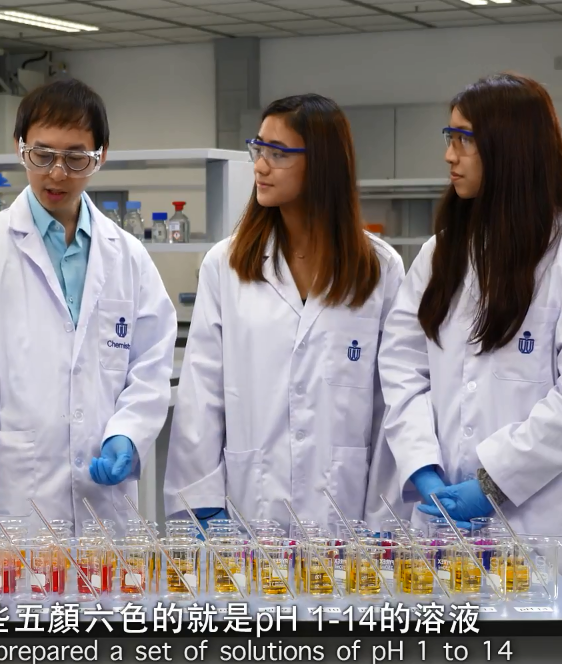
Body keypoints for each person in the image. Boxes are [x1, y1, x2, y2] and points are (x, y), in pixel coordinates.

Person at [374, 73, 562, 597]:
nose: (449, 155)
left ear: (509, 150)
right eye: (449, 138)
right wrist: (423, 467)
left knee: (533, 655)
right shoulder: (442, 254)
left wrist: (492, 481)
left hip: (536, 517)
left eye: (464, 140)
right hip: (440, 517)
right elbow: (402, 368)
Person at [0, 78, 177, 530]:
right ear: (19, 147)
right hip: (20, 499)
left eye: (75, 158)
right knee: (24, 599)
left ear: (101, 155)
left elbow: (149, 367)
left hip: (106, 506)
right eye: (42, 155)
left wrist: (127, 433)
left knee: (108, 595)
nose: (57, 173)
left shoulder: (128, 256)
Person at [164, 94, 405, 532]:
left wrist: (385, 519)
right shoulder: (228, 263)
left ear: (323, 164)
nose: (260, 165)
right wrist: (201, 504)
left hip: (344, 513)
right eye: (259, 149)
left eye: (278, 154)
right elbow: (202, 392)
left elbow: (388, 404)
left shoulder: (378, 268)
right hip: (248, 509)